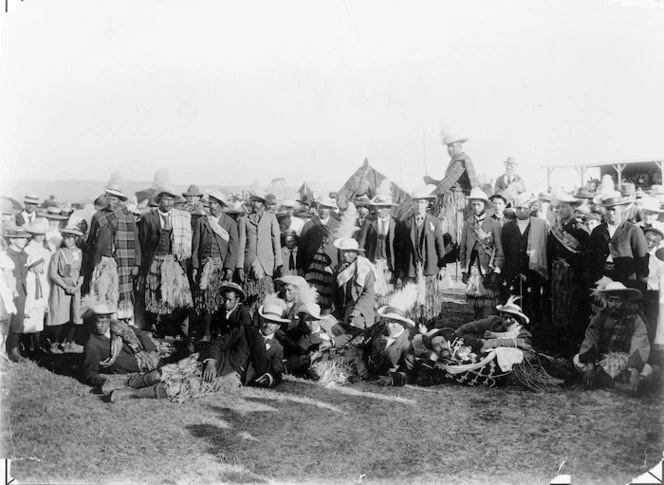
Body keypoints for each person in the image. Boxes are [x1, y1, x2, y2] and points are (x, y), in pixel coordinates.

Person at [575, 281, 653, 396]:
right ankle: (618, 386)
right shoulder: (599, 317)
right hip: (602, 360)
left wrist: (635, 372)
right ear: (606, 301)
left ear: (625, 301)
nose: (614, 304)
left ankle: (606, 383)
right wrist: (591, 366)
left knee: (648, 370)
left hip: (625, 362)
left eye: (618, 300)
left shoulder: (635, 319)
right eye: (611, 300)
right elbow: (591, 339)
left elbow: (640, 343)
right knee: (577, 360)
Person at [137, 185, 193, 342]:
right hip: (155, 261)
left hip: (173, 262)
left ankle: (168, 328)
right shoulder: (149, 218)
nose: (168, 202)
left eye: (171, 199)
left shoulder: (180, 218)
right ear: (159, 200)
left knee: (173, 296)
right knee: (154, 296)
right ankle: (152, 328)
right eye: (165, 199)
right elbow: (143, 242)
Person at [83, 183, 141, 315]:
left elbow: (135, 241)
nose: (111, 202)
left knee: (118, 292)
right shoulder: (98, 216)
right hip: (101, 261)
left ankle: (117, 320)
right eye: (108, 198)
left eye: (114, 199)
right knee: (100, 291)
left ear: (120, 201)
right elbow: (91, 240)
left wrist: (137, 263)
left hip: (121, 262)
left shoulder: (128, 216)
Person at [191, 190, 239, 342]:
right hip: (205, 267)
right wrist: (194, 266)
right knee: (205, 300)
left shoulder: (230, 223)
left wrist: (230, 268)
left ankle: (217, 332)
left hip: (220, 266)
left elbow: (233, 247)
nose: (211, 206)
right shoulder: (202, 222)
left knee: (220, 300)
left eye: (214, 203)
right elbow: (195, 246)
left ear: (221, 206)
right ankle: (205, 333)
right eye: (210, 203)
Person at [548, 192, 591, 355]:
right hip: (556, 276)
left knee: (572, 311)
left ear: (573, 208)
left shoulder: (581, 230)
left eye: (564, 206)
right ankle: (558, 346)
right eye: (558, 207)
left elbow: (586, 257)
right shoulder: (554, 229)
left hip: (574, 278)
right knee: (557, 310)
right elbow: (550, 252)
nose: (560, 210)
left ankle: (571, 349)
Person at [82, 304, 160, 391]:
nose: (103, 325)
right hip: (133, 369)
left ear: (109, 319)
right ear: (93, 321)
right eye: (99, 322)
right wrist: (102, 381)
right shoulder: (93, 344)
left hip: (145, 356)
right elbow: (90, 372)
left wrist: (151, 350)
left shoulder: (117, 326)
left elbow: (137, 332)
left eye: (106, 320)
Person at [501, 193, 550, 325]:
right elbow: (504, 251)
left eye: (524, 208)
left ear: (530, 208)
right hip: (513, 272)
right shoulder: (507, 227)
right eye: (518, 208)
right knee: (514, 303)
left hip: (533, 272)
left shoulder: (540, 225)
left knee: (533, 303)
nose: (521, 211)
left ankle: (532, 333)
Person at [399, 189, 448, 322]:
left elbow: (440, 245)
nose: (419, 205)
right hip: (411, 267)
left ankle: (429, 323)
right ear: (412, 204)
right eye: (416, 202)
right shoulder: (405, 223)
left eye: (422, 202)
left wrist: (442, 268)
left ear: (426, 204)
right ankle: (413, 322)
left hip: (429, 267)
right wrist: (401, 270)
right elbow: (401, 248)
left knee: (429, 299)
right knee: (412, 298)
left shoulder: (434, 222)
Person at [586, 193, 649, 294]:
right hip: (602, 277)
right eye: (607, 210)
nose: (610, 213)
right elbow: (590, 257)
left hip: (626, 279)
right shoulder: (598, 231)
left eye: (614, 209)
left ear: (621, 209)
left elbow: (642, 260)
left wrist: (641, 286)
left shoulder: (633, 230)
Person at [459, 188, 504, 319]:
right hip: (472, 267)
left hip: (487, 268)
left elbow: (500, 251)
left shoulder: (494, 224)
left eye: (479, 204)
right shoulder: (468, 223)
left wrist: (496, 272)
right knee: (475, 302)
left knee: (488, 304)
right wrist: (463, 271)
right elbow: (463, 248)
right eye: (473, 204)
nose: (476, 207)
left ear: (484, 205)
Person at [236, 192, 283, 313]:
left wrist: (278, 262)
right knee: (249, 294)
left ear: (263, 204)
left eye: (258, 201)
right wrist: (240, 266)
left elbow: (276, 241)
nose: (255, 204)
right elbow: (241, 244)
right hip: (249, 263)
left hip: (266, 263)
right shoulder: (244, 220)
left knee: (266, 294)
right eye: (253, 201)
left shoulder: (271, 218)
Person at [358, 192, 404, 304]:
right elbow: (361, 245)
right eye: (378, 207)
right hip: (373, 264)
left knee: (389, 292)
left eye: (383, 207)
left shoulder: (396, 223)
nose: (379, 210)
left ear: (389, 208)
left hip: (389, 265)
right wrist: (366, 263)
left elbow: (400, 248)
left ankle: (386, 317)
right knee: (373, 292)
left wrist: (399, 269)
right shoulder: (369, 222)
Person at [46, 224, 85, 354]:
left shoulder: (80, 253)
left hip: (75, 287)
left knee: (75, 314)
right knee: (59, 314)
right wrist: (65, 285)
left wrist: (77, 286)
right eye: (65, 238)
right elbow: (53, 273)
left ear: (75, 239)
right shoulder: (58, 254)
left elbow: (83, 272)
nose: (67, 240)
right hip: (61, 287)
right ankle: (54, 343)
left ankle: (68, 342)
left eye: (70, 238)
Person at [297, 196, 340, 311]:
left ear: (330, 209)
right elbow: (302, 248)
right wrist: (300, 267)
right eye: (321, 207)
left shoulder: (337, 225)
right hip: (312, 266)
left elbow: (341, 248)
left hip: (330, 266)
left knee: (329, 293)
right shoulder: (309, 225)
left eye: (326, 208)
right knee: (312, 293)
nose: (323, 210)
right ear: (317, 208)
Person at [364, 303, 416, 386]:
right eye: (387, 321)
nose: (389, 326)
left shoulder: (406, 344)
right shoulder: (379, 330)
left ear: (402, 323)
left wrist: (392, 379)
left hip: (385, 375)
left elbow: (411, 372)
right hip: (366, 371)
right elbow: (364, 344)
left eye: (393, 322)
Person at [22, 218, 52, 353]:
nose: (41, 237)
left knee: (40, 316)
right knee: (30, 317)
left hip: (43, 282)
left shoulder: (46, 250)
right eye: (37, 234)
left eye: (42, 234)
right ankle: (28, 344)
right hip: (32, 283)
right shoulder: (27, 249)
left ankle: (38, 343)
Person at [333, 237, 376, 332]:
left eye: (348, 252)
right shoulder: (339, 268)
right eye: (343, 251)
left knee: (356, 324)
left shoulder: (364, 268)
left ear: (355, 253)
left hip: (360, 305)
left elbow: (369, 291)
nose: (345, 255)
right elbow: (334, 291)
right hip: (343, 306)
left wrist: (358, 308)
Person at [4, 226, 29, 362]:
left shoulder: (25, 255)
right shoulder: (6, 255)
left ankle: (13, 349)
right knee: (6, 319)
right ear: (12, 239)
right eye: (21, 237)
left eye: (26, 237)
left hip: (21, 292)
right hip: (8, 292)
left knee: (18, 320)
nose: (24, 240)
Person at [642, 227, 664, 341]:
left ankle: (648, 354)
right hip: (636, 292)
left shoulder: (659, 259)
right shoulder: (636, 253)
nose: (650, 243)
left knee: (650, 324)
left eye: (654, 241)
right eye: (647, 239)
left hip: (651, 295)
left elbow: (661, 281)